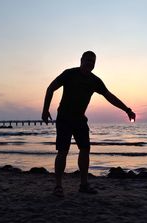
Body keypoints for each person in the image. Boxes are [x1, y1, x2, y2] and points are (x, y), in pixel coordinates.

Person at [42, 51, 136, 197]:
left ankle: (84, 184)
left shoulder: (94, 81)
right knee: (63, 151)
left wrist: (127, 110)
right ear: (81, 60)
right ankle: (58, 186)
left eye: (93, 61)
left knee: (85, 149)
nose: (90, 63)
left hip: (80, 119)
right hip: (64, 118)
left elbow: (109, 96)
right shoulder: (69, 74)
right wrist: (45, 110)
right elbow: (50, 88)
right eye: (88, 60)